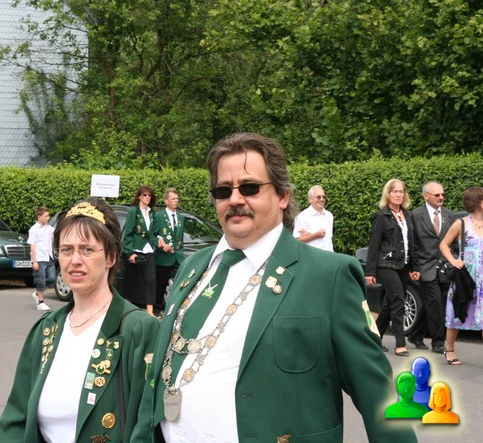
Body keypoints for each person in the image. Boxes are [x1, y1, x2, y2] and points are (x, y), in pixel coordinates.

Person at [132, 133, 415, 442]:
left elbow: (379, 398)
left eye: (250, 187)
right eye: (223, 190)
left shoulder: (328, 275)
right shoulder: (192, 266)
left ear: (282, 196)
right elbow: (157, 377)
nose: (235, 199)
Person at [0, 199, 160, 442]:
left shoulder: (139, 329)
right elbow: (15, 421)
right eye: (66, 250)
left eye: (87, 249)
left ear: (111, 257)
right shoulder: (47, 328)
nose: (75, 260)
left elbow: (149, 428)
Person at [365, 179, 419, 357]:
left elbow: (412, 243)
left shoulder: (408, 215)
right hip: (386, 265)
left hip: (403, 265)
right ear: (388, 194)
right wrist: (370, 271)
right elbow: (374, 245)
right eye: (395, 191)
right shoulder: (381, 216)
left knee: (390, 303)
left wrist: (414, 267)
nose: (398, 194)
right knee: (398, 301)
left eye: (401, 191)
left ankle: (373, 339)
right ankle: (400, 344)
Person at [438, 186, 483, 365]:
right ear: (479, 202)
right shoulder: (461, 224)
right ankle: (449, 349)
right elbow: (443, 244)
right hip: (466, 277)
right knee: (457, 312)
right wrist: (453, 260)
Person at [408, 181, 455, 353]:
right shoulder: (415, 215)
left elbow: (453, 241)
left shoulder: (449, 215)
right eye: (437, 195)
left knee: (434, 303)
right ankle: (438, 342)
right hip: (424, 267)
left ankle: (415, 334)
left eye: (442, 194)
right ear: (426, 196)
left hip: (444, 268)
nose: (441, 197)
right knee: (435, 302)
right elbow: (412, 244)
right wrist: (414, 267)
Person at [121, 186, 158, 317]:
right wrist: (129, 252)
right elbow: (128, 233)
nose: (147, 197)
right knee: (132, 280)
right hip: (136, 249)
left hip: (149, 249)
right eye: (145, 195)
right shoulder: (134, 211)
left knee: (150, 279)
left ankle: (150, 311)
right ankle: (128, 309)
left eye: (149, 195)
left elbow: (153, 233)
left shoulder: (152, 213)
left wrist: (158, 242)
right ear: (139, 197)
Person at [153, 188, 185, 315]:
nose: (176, 201)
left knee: (179, 283)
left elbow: (180, 237)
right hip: (164, 257)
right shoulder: (159, 216)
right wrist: (160, 241)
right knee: (161, 284)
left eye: (177, 198)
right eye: (173, 198)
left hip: (178, 256)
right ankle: (156, 309)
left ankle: (175, 307)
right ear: (166, 201)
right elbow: (153, 234)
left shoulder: (181, 217)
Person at [28, 206, 55, 311]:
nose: (48, 218)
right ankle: (40, 302)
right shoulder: (34, 229)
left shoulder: (50, 229)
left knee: (52, 279)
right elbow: (32, 245)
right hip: (39, 258)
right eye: (46, 216)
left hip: (49, 257)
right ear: (39, 217)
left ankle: (37, 292)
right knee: (40, 278)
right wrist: (34, 261)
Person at [292, 185, 334, 251]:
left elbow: (328, 239)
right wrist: (315, 235)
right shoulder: (302, 217)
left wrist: (309, 235)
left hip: (329, 254)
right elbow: (297, 240)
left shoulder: (329, 216)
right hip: (312, 256)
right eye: (318, 197)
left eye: (323, 197)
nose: (322, 199)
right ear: (310, 199)